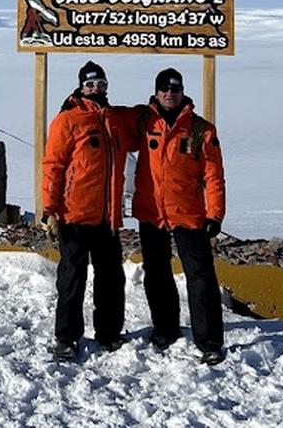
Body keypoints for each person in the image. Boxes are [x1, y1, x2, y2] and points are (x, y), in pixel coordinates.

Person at [40, 60, 137, 362]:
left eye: (101, 84)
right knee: (72, 279)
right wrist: (49, 208)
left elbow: (143, 122)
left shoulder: (114, 119)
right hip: (75, 214)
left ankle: (109, 333)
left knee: (112, 278)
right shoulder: (68, 120)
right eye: (90, 84)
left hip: (107, 217)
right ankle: (66, 338)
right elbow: (53, 165)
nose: (96, 88)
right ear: (81, 87)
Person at [133, 67, 227, 365]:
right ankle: (165, 328)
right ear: (156, 91)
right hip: (152, 212)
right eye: (164, 88)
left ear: (183, 91)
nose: (169, 94)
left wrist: (215, 214)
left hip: (188, 213)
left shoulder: (200, 129)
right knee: (156, 273)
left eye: (175, 89)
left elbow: (213, 176)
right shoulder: (143, 121)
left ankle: (209, 340)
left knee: (200, 277)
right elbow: (109, 128)